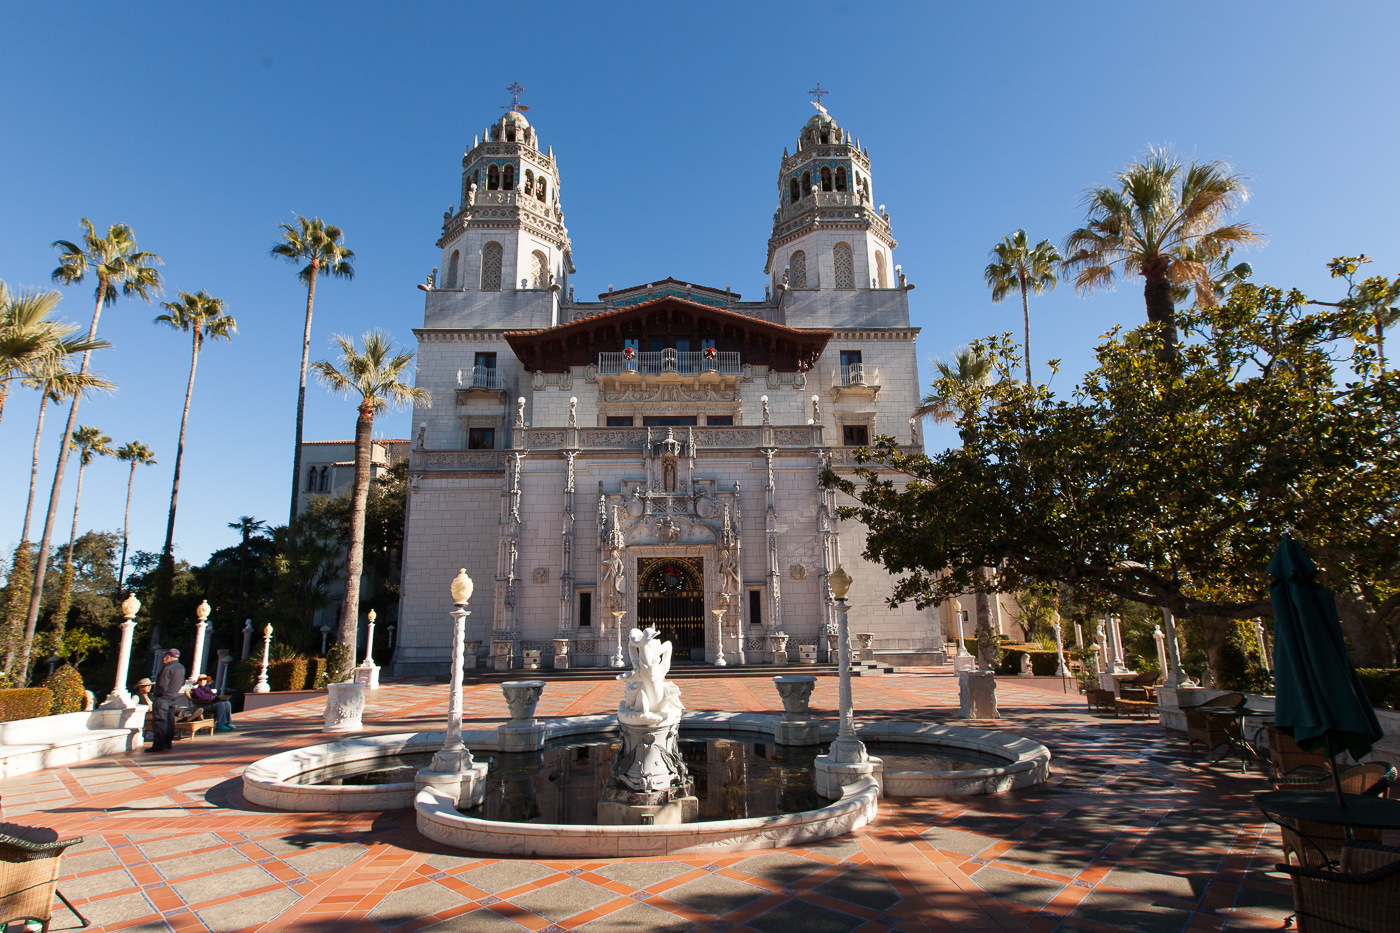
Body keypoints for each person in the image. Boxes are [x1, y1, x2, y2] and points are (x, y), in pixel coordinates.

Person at [150, 648, 184, 752]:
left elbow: (162, 685)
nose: (163, 659)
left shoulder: (167, 668)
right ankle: (167, 742)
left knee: (160, 721)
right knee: (170, 721)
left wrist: (156, 694)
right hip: (173, 698)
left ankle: (159, 744)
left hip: (163, 698)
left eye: (164, 657)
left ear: (168, 657)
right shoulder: (181, 668)